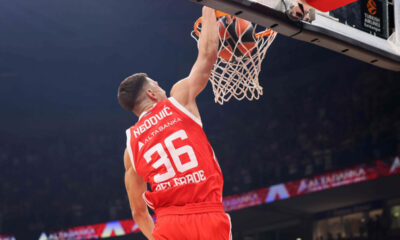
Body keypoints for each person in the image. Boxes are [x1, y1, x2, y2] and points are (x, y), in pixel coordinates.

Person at [117, 6, 231, 240]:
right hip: (206, 213)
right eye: (157, 84)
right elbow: (208, 54)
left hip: (168, 225)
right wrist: (209, 7)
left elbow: (138, 213)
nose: (161, 87)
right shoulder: (178, 100)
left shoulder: (131, 149)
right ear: (151, 93)